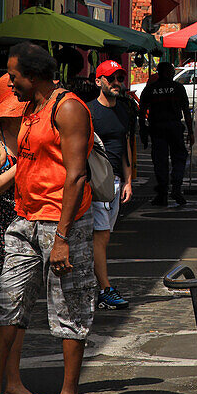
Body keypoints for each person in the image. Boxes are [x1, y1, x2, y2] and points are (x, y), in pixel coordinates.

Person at [0, 42, 96, 394]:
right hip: (25, 220)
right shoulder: (28, 109)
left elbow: (76, 174)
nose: (10, 82)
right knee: (7, 302)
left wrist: (62, 238)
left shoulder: (67, 107)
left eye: (14, 75)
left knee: (69, 310)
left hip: (62, 222)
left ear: (35, 75)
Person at [0, 73, 47, 394]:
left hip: (22, 234)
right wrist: (23, 166)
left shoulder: (33, 133)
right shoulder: (0, 143)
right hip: (1, 235)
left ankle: (12, 383)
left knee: (16, 314)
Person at [89, 60, 134, 310]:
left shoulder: (123, 110)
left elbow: (125, 145)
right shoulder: (89, 111)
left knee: (102, 237)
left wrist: (128, 180)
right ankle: (105, 289)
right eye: (111, 78)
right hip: (96, 184)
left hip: (117, 182)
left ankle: (96, 287)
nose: (117, 83)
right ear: (99, 81)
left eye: (120, 78)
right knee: (100, 237)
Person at [138, 61, 193, 207]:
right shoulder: (178, 88)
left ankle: (162, 194)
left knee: (160, 161)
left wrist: (143, 132)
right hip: (174, 127)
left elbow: (142, 113)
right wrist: (191, 132)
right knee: (179, 158)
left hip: (157, 128)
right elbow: (186, 112)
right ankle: (176, 188)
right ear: (170, 73)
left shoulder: (151, 89)